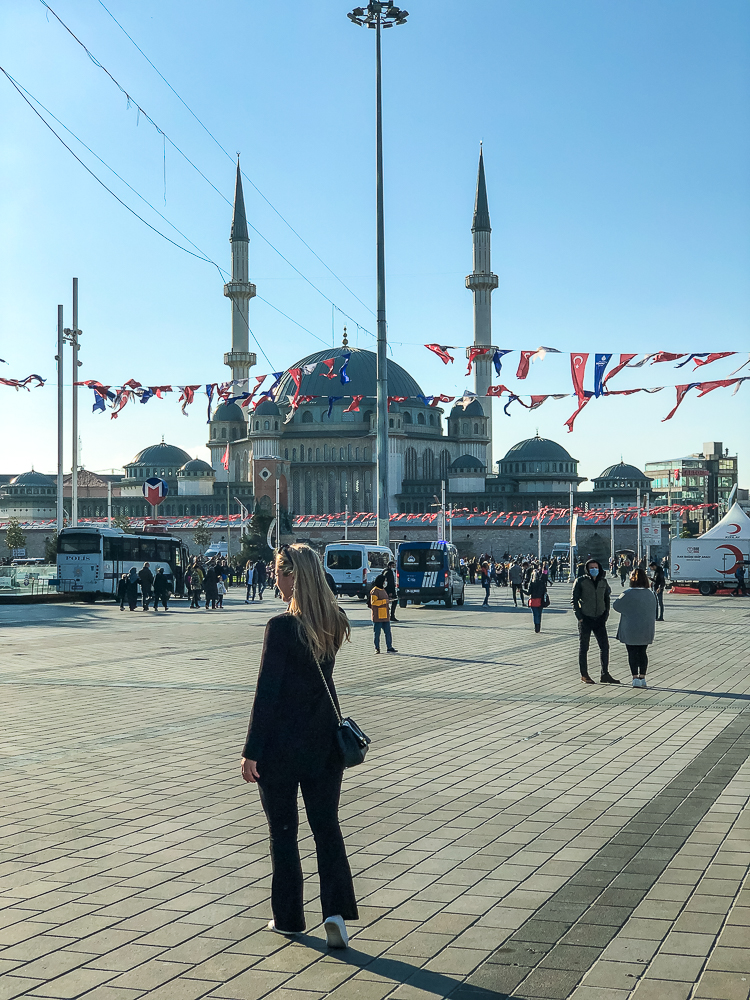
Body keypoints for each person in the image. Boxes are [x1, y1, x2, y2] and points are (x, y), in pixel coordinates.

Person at [240, 543, 358, 947]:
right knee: (326, 829)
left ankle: (289, 917)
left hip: (280, 749)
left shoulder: (281, 627)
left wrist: (251, 749)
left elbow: (267, 694)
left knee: (284, 834)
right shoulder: (334, 621)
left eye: (277, 572)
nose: (274, 578)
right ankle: (336, 915)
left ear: (293, 575)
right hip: (325, 745)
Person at [572, 559, 620, 685]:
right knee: (584, 648)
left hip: (599, 618)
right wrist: (579, 617)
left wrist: (606, 613)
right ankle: (584, 675)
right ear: (587, 569)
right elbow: (574, 599)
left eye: (596, 567)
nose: (594, 569)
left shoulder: (603, 581)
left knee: (605, 647)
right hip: (586, 618)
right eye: (591, 567)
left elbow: (607, 597)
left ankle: (605, 674)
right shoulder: (581, 581)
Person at [613, 568, 657, 688]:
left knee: (632, 653)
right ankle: (643, 677)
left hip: (630, 628)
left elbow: (616, 606)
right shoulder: (650, 594)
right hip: (646, 628)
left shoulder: (627, 593)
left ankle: (634, 677)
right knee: (642, 652)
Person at [368, 574, 397, 653]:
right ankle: (377, 648)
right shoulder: (375, 591)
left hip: (385, 615)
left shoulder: (383, 589)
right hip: (378, 616)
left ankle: (389, 647)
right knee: (377, 633)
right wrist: (385, 601)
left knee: (388, 632)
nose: (385, 582)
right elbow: (374, 602)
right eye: (384, 581)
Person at [527, 569, 548, 634]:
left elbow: (528, 592)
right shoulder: (542, 582)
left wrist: (521, 590)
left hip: (534, 600)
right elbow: (545, 591)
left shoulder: (532, 583)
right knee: (539, 614)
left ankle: (536, 627)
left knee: (535, 615)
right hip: (541, 600)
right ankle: (538, 627)